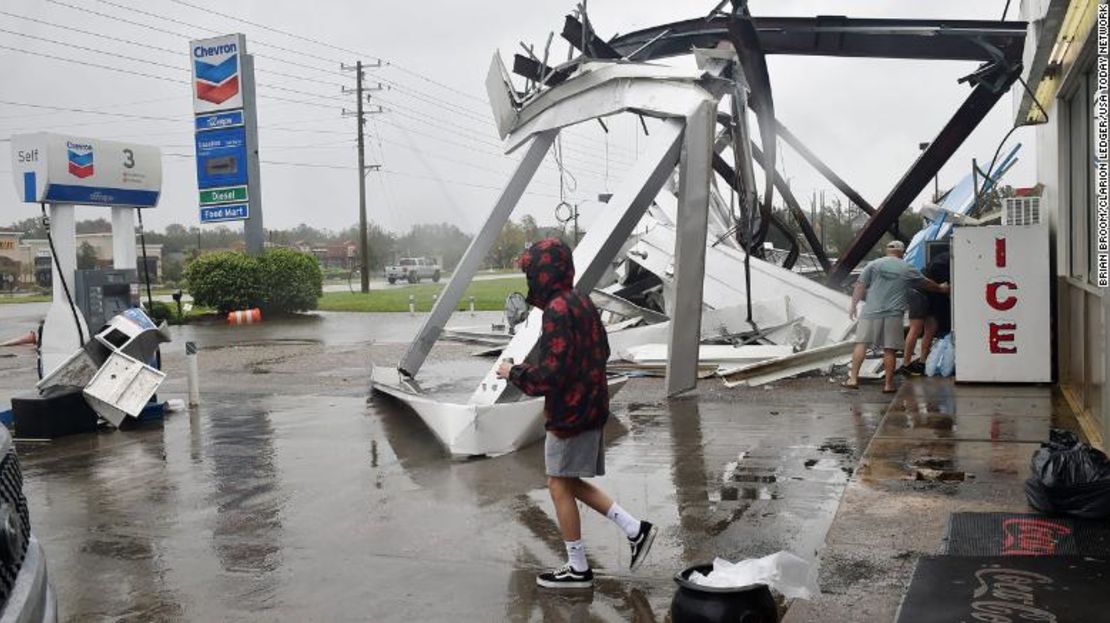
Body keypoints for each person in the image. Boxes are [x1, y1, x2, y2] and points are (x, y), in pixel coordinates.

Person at [496, 238, 657, 590]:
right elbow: (601, 349)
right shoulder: (582, 301)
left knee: (557, 483)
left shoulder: (556, 309)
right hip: (591, 404)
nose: (529, 279)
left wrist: (513, 372)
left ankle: (578, 568)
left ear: (543, 272)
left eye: (531, 271)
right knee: (566, 480)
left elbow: (551, 375)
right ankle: (634, 529)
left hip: (569, 413)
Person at [844, 240, 949, 393]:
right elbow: (925, 283)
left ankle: (853, 379)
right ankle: (888, 385)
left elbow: (860, 285)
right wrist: (941, 288)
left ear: (887, 250)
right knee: (889, 349)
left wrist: (853, 305)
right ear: (902, 252)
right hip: (893, 314)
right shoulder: (906, 267)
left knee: (862, 343)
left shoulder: (873, 265)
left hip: (870, 312)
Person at [901, 249, 952, 375]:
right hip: (922, 293)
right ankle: (907, 364)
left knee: (929, 329)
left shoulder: (942, 259)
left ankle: (922, 362)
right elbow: (935, 283)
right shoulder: (945, 261)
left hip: (929, 295)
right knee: (918, 329)